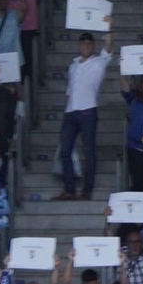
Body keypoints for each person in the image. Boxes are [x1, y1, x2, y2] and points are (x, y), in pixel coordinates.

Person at [54, 29, 112, 201]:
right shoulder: (73, 65)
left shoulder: (98, 63)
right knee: (65, 150)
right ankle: (69, 189)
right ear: (79, 46)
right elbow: (69, 90)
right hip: (71, 111)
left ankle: (87, 190)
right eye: (83, 43)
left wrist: (108, 27)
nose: (86, 46)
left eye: (89, 44)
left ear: (93, 46)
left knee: (89, 151)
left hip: (88, 110)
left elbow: (108, 47)